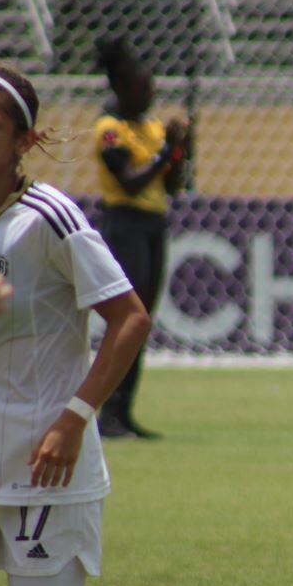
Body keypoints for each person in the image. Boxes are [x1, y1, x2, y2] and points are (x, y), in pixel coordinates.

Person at [0, 65, 172, 586]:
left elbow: (129, 319)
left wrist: (73, 418)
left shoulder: (49, 218)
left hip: (44, 469)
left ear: (24, 139)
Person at [93, 36, 190, 439]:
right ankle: (107, 413)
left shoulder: (151, 127)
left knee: (141, 321)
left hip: (153, 224)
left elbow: (172, 186)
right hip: (124, 223)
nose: (150, 94)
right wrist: (166, 151)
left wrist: (181, 148)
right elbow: (130, 184)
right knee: (127, 319)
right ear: (121, 87)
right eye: (142, 87)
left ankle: (123, 412)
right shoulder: (109, 130)